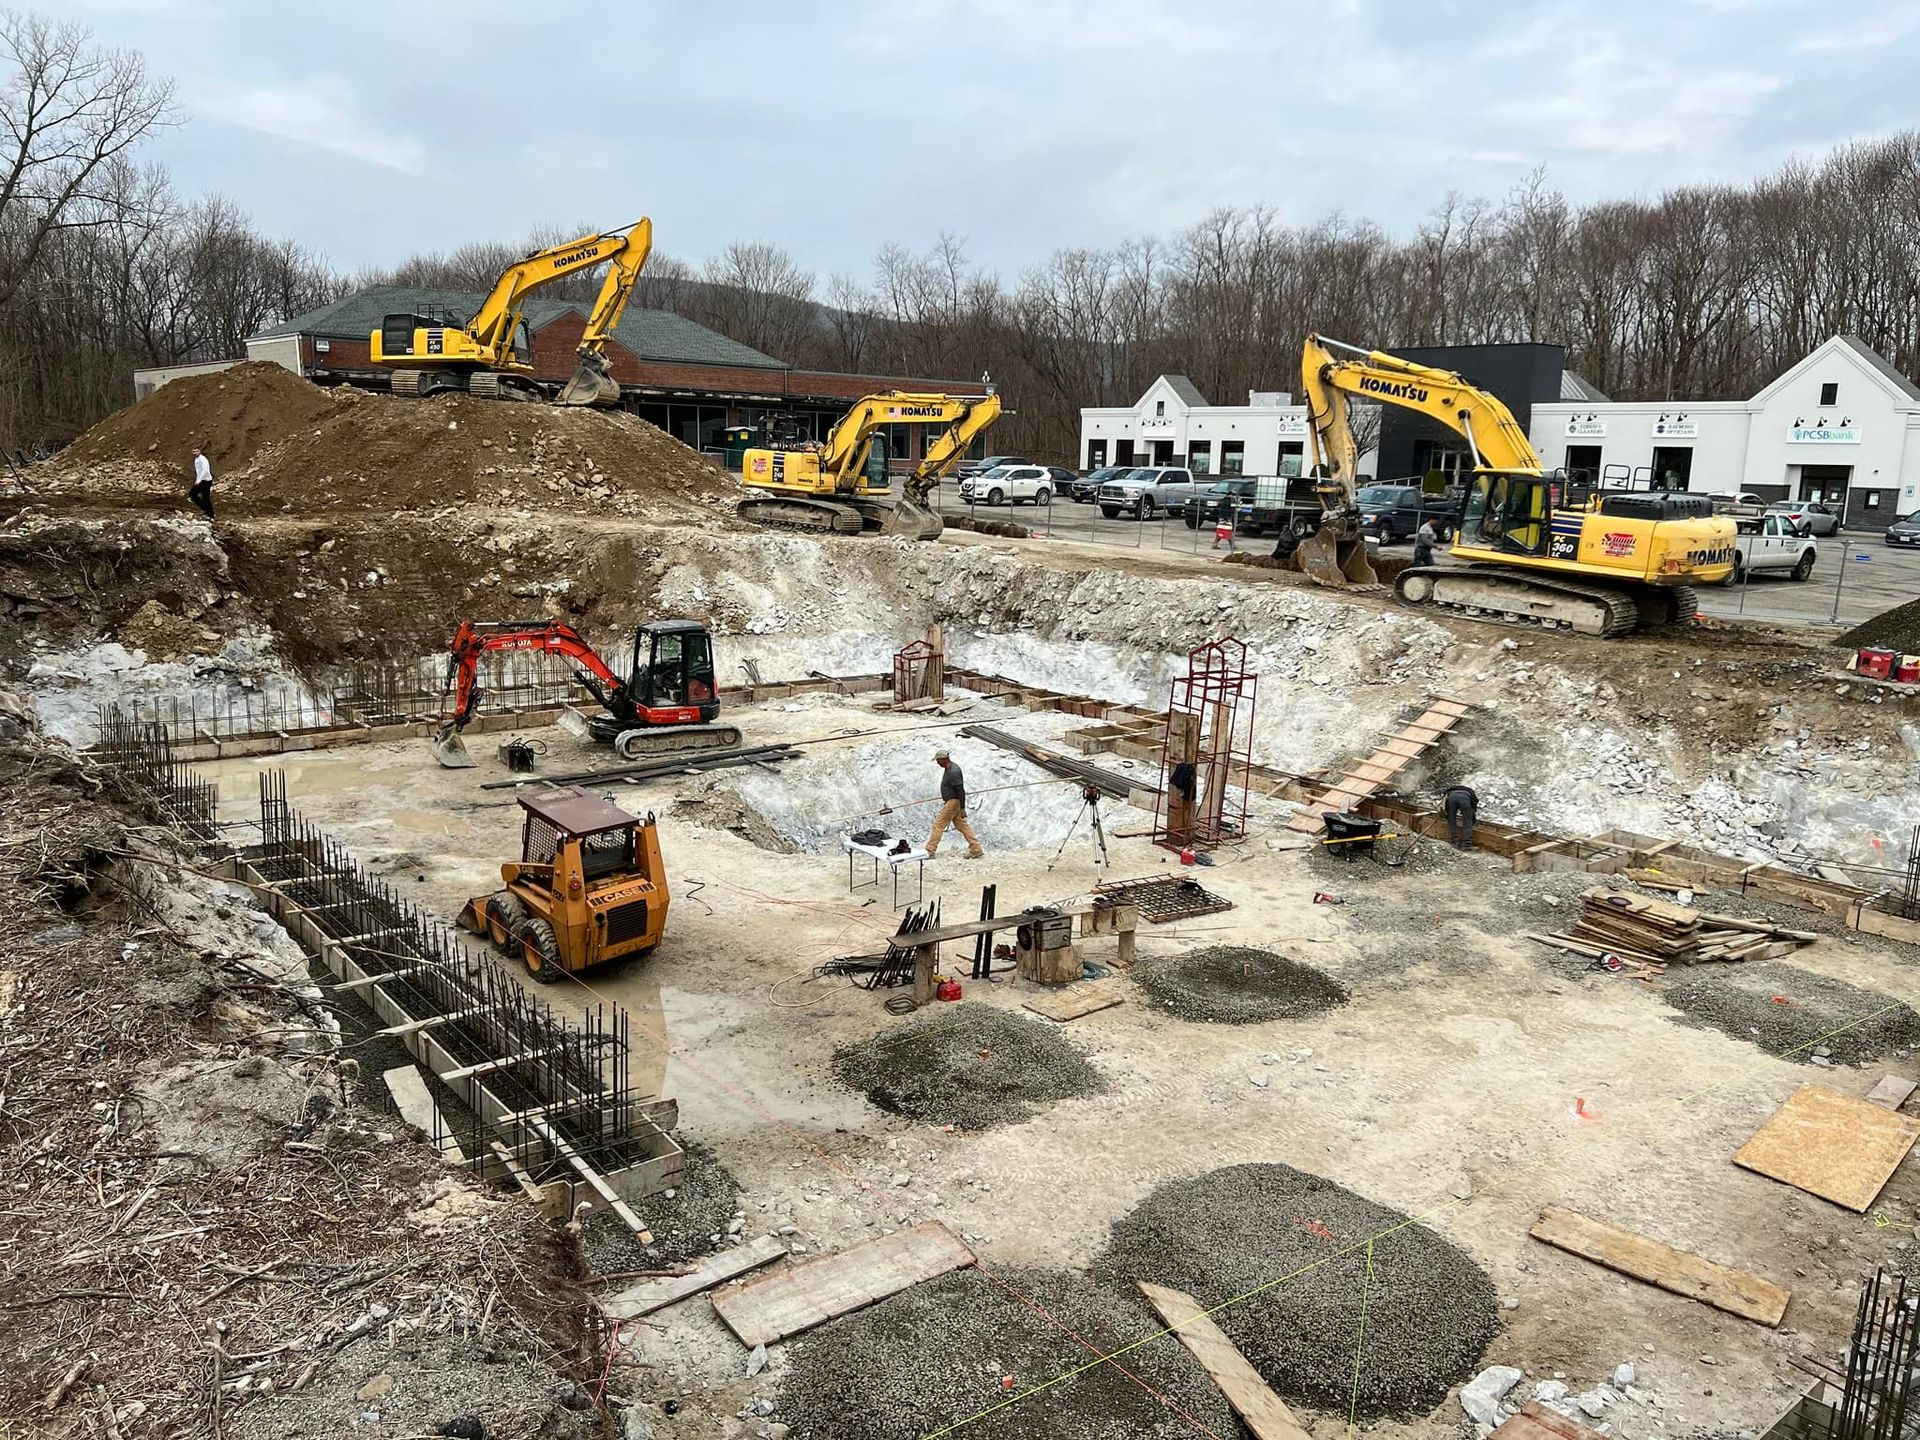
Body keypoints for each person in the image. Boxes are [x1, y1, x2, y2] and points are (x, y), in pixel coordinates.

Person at [926, 749, 983, 859]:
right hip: (953, 802)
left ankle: (930, 850)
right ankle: (976, 849)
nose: (937, 763)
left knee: (938, 825)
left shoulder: (953, 772)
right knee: (962, 825)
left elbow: (960, 790)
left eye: (938, 760)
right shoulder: (950, 768)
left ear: (944, 759)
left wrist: (962, 808)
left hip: (952, 803)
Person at [1443, 784, 1478, 849]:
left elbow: (1444, 802)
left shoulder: (1449, 790)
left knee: (1451, 820)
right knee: (1468, 821)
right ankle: (1466, 845)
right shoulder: (1471, 792)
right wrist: (1472, 818)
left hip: (1451, 798)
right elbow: (1473, 806)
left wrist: (1446, 814)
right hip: (1465, 798)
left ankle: (1455, 841)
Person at [187, 445, 214, 518]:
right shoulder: (196, 459)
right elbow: (199, 472)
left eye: (196, 451)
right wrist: (197, 480)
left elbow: (204, 471)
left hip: (206, 481)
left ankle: (210, 515)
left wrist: (198, 480)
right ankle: (205, 509)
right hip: (201, 480)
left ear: (199, 451)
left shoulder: (203, 459)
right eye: (193, 451)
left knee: (205, 498)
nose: (195, 453)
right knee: (192, 494)